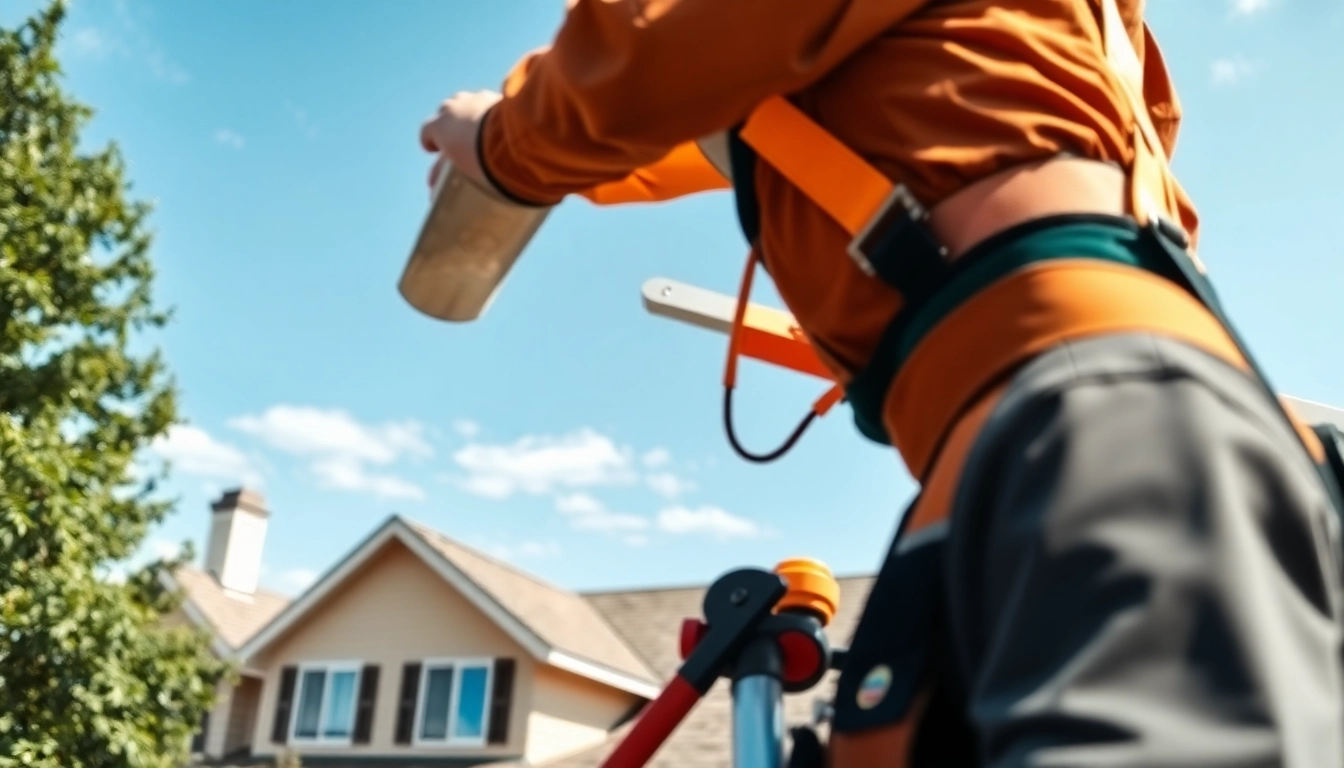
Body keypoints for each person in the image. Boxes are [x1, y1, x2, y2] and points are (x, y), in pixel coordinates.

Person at [419, 0, 1344, 764]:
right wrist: (534, 149)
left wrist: (501, 141)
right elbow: (693, 103)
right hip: (1042, 416)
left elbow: (657, 47)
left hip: (1079, 406)